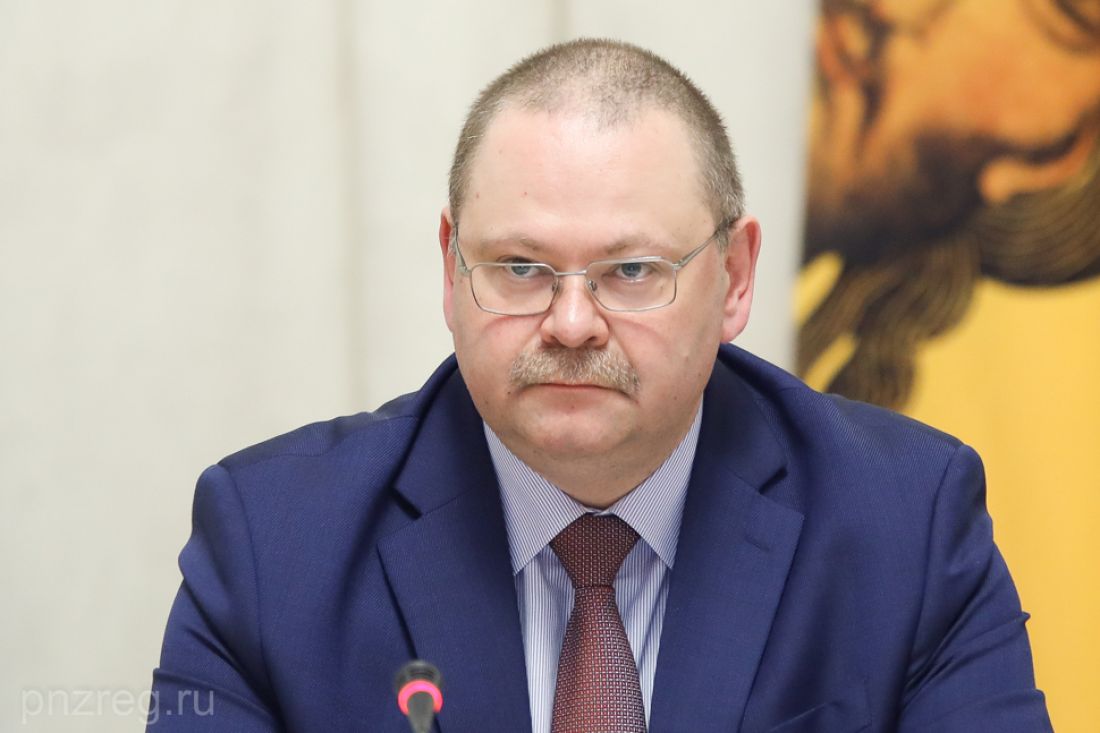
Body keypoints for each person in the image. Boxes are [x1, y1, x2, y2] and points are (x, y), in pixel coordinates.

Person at [147, 39, 1052, 732]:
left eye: (631, 271)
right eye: (520, 268)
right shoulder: (274, 544)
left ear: (736, 279)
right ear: (451, 270)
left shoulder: (905, 524)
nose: (572, 323)